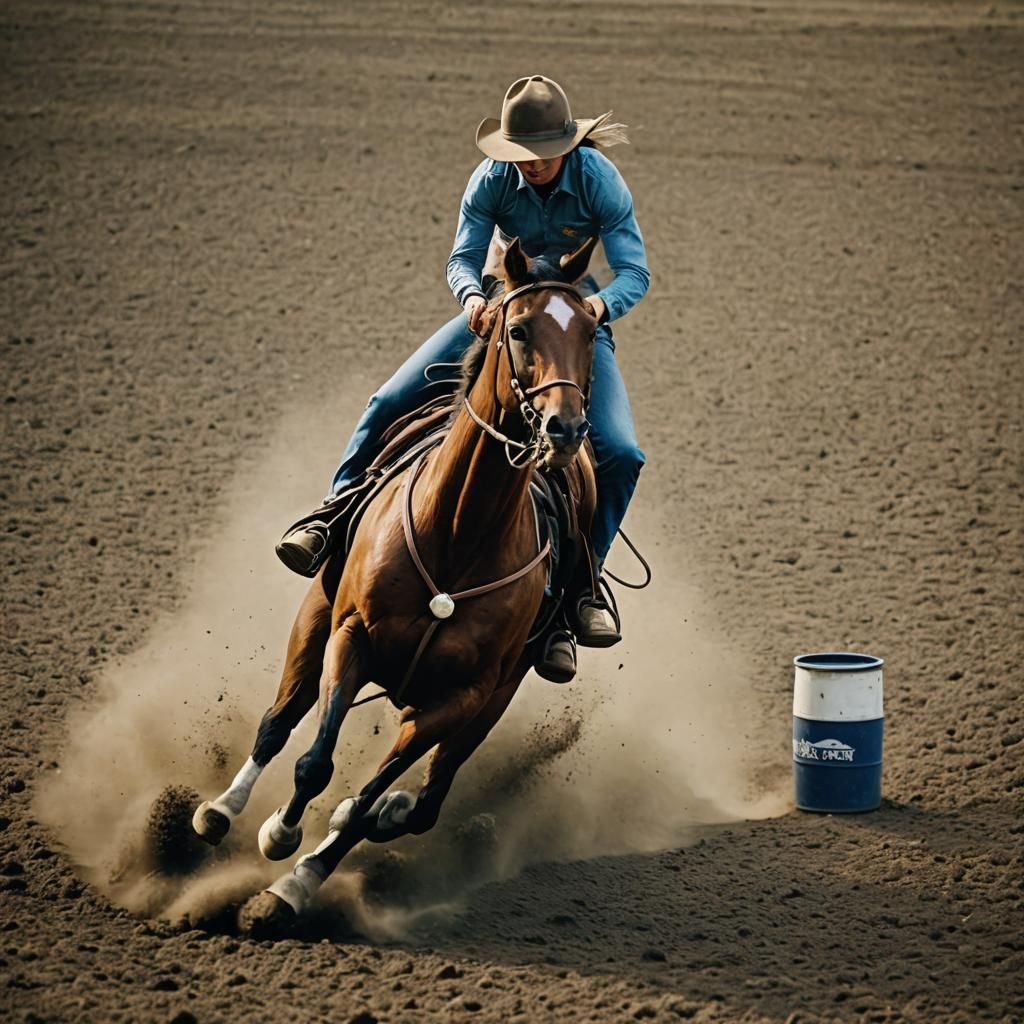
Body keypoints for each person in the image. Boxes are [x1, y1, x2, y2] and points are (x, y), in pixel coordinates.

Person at [284, 75, 650, 681]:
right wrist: (472, 296)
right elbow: (462, 257)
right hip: (499, 314)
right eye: (519, 154)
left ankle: (581, 592)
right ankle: (332, 514)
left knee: (621, 452)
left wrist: (596, 310)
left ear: (566, 145)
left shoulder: (599, 182)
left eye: (540, 154)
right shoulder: (490, 181)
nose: (530, 165)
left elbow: (634, 272)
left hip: (567, 319)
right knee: (390, 398)